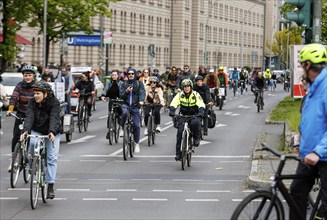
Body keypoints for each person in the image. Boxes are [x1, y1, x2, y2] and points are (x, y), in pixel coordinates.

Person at [289, 43, 327, 220]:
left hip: (322, 155)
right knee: (296, 192)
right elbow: (312, 121)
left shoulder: (325, 87)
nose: (302, 69)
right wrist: (300, 142)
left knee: (325, 208)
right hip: (309, 154)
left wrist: (318, 152)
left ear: (309, 65)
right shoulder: (313, 88)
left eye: (302, 64)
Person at [21, 81, 61, 199]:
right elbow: (29, 117)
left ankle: (50, 186)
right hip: (37, 129)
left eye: (38, 93)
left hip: (52, 131)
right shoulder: (32, 103)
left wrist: (52, 132)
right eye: (34, 94)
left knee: (52, 158)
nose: (35, 96)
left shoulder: (54, 103)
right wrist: (26, 131)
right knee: (32, 145)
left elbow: (54, 117)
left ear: (46, 94)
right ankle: (33, 167)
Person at [6, 65, 36, 172]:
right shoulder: (19, 86)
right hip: (20, 114)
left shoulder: (37, 86)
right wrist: (10, 109)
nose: (27, 77)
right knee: (16, 137)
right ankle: (13, 159)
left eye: (29, 75)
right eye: (25, 75)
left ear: (33, 76)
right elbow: (14, 97)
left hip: (32, 115)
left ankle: (30, 159)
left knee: (30, 137)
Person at [169, 79, 205, 161]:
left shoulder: (195, 94)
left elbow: (201, 103)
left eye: (188, 86)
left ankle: (196, 138)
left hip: (194, 115)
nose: (186, 88)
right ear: (182, 87)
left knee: (195, 123)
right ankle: (178, 154)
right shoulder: (179, 95)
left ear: (191, 87)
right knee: (179, 133)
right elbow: (174, 102)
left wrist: (201, 111)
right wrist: (172, 110)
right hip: (183, 115)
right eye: (185, 87)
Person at [120, 68, 146, 153]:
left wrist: (141, 101)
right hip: (126, 105)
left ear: (135, 75)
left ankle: (136, 143)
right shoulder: (124, 84)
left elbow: (142, 93)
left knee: (136, 125)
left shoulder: (139, 84)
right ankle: (122, 129)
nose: (130, 75)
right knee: (124, 113)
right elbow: (121, 96)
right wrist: (126, 91)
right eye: (129, 74)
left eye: (132, 74)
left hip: (135, 106)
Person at [101, 70, 123, 139]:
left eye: (115, 75)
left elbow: (122, 91)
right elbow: (106, 89)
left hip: (119, 100)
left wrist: (123, 98)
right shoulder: (109, 82)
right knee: (110, 114)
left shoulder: (120, 83)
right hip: (112, 99)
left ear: (118, 76)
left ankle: (121, 127)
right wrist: (103, 95)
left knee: (120, 114)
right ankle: (108, 130)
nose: (114, 76)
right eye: (112, 75)